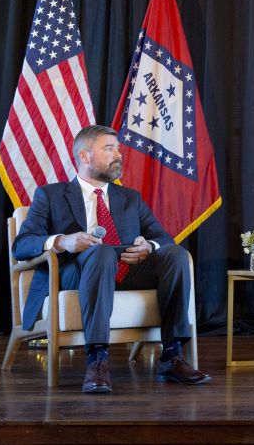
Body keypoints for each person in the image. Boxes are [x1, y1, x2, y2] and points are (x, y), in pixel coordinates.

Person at [13, 124, 211, 393]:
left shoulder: (129, 198)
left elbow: (164, 238)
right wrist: (62, 241)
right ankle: (96, 360)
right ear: (85, 156)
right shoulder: (51, 195)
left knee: (175, 255)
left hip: (126, 269)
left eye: (118, 148)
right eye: (109, 148)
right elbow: (22, 245)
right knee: (102, 252)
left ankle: (172, 356)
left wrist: (148, 246)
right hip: (76, 271)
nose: (118, 154)